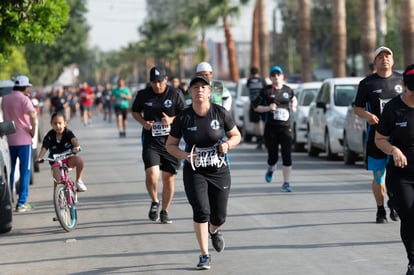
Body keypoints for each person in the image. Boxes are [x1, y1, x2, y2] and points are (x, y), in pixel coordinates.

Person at [166, 76, 241, 270]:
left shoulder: (220, 113)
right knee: (201, 210)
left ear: (209, 92)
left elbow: (236, 135)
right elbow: (170, 145)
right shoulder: (183, 117)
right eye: (195, 87)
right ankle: (204, 254)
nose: (199, 90)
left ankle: (214, 230)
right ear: (190, 92)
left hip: (218, 170)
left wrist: (227, 144)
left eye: (203, 87)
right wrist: (185, 156)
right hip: (195, 170)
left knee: (219, 216)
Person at [353, 46, 403, 223]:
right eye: (380, 57)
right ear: (375, 62)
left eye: (387, 56)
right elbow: (356, 107)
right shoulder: (367, 84)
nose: (384, 59)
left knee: (399, 176)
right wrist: (368, 116)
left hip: (399, 137)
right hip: (376, 137)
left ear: (393, 60)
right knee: (379, 177)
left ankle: (394, 203)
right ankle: (380, 209)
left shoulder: (402, 80)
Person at [131, 66, 185, 224]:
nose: (157, 85)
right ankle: (155, 201)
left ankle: (165, 211)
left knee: (168, 179)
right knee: (151, 174)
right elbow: (135, 111)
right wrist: (143, 123)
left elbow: (184, 114)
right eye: (154, 82)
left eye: (160, 82)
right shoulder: (143, 95)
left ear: (166, 80)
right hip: (151, 141)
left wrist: (171, 120)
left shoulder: (175, 94)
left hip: (171, 143)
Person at [375, 64, 414, 275]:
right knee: (409, 216)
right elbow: (379, 139)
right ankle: (413, 261)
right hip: (402, 175)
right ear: (404, 86)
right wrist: (393, 150)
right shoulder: (392, 109)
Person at [253, 66, 297, 192]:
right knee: (273, 156)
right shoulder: (266, 91)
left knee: (287, 155)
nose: (276, 77)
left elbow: (294, 99)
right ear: (270, 77)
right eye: (273, 75)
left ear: (283, 76)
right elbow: (255, 106)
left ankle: (286, 182)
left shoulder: (288, 90)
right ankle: (271, 168)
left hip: (285, 127)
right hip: (271, 128)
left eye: (278, 74)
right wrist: (267, 108)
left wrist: (294, 106)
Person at [1, 75, 37, 212]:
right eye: (27, 86)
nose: (28, 89)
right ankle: (22, 202)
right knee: (25, 171)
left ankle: (9, 199)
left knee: (10, 171)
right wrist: (33, 130)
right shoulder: (24, 99)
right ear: (24, 86)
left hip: (9, 139)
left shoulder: (5, 99)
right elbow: (32, 115)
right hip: (24, 139)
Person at [36, 112, 87, 192]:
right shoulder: (49, 135)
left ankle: (78, 181)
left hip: (68, 159)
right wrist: (39, 157)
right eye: (55, 124)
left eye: (60, 123)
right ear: (51, 124)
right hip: (55, 161)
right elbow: (44, 148)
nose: (58, 126)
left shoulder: (68, 133)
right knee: (58, 182)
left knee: (79, 161)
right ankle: (58, 199)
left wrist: (77, 147)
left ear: (65, 123)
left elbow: (74, 141)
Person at [247, 66, 267, 149]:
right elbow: (265, 89)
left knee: (256, 123)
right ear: (258, 72)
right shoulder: (262, 80)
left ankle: (259, 140)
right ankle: (264, 138)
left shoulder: (249, 81)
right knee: (263, 121)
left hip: (253, 104)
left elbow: (248, 88)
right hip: (262, 103)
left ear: (251, 73)